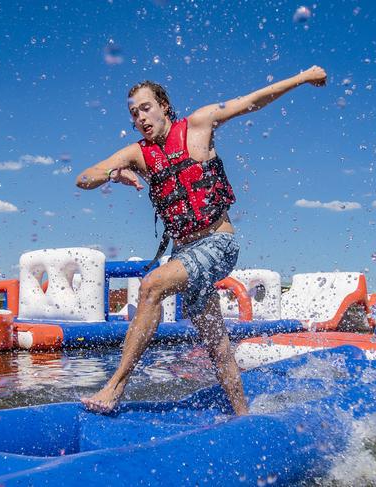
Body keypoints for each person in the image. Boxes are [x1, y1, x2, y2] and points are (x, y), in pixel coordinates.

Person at [76, 66, 328, 415]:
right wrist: (112, 173)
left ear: (164, 106)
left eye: (146, 107)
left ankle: (115, 385)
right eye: (134, 113)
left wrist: (302, 78)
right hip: (185, 252)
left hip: (218, 244)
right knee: (218, 346)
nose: (140, 117)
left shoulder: (199, 124)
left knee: (152, 286)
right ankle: (243, 415)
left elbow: (252, 101)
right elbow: (83, 178)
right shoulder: (137, 153)